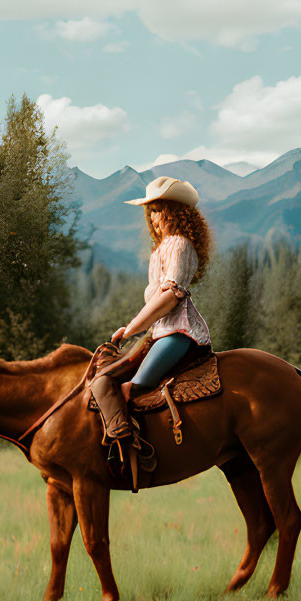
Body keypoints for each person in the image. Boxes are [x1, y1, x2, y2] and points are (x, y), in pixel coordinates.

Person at [89, 176, 212, 443]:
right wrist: (136, 329)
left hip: (179, 333)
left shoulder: (180, 245)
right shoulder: (160, 250)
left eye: (158, 210)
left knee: (130, 389)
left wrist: (132, 328)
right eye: (151, 211)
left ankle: (131, 441)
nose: (153, 217)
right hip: (159, 333)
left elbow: (169, 297)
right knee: (103, 378)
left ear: (175, 212)